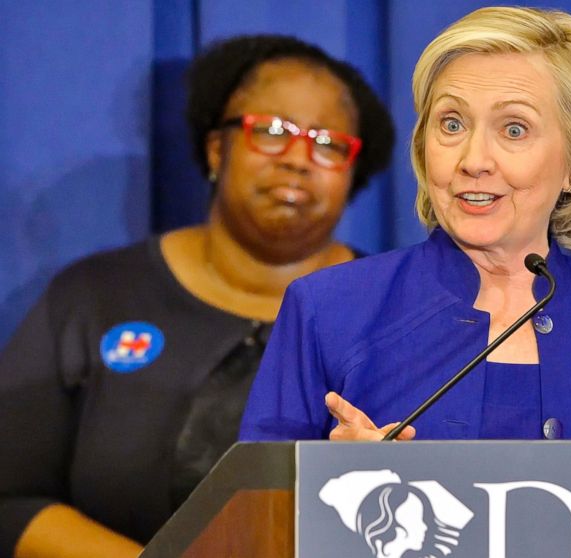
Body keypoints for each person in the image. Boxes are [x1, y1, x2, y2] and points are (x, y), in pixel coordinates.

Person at [0, 34, 395, 557]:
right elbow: (10, 498)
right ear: (216, 148)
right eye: (273, 131)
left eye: (328, 144)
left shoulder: (398, 312)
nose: (300, 158)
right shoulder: (95, 297)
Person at [239, 7, 571, 444]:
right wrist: (334, 485)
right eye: (452, 124)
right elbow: (259, 512)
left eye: (514, 129)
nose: (473, 161)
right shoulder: (326, 311)